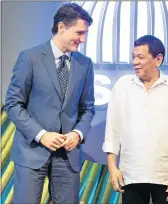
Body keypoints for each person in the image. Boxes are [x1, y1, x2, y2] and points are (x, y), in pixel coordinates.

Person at [5, 3, 95, 203]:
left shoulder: (85, 64)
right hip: (31, 152)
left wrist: (77, 134)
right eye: (79, 32)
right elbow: (13, 103)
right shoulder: (30, 57)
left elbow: (87, 108)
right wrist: (41, 135)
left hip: (68, 157)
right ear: (61, 27)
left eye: (85, 33)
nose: (83, 39)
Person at [102, 35, 168, 204]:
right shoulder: (122, 86)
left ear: (158, 59)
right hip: (130, 176)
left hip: (167, 178)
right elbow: (112, 130)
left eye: (141, 57)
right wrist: (112, 167)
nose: (135, 62)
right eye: (133, 57)